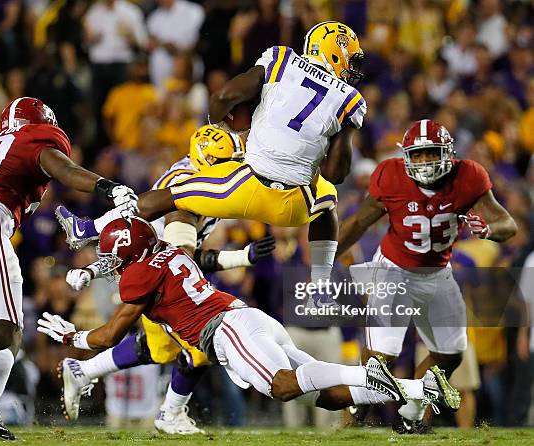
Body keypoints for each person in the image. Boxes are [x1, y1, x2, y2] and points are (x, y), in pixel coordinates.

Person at [38, 217, 461, 423]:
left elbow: (111, 333)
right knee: (328, 397)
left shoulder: (140, 273)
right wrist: (91, 273)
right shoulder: (168, 253)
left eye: (114, 257)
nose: (111, 263)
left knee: (281, 386)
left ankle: (390, 380)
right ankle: (415, 389)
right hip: (246, 318)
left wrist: (71, 333)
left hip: (227, 331)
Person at [59, 20, 367, 292]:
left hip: (245, 186)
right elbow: (336, 174)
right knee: (327, 201)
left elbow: (225, 96)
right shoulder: (350, 99)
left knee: (167, 197)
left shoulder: (282, 60)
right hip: (294, 204)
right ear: (334, 52)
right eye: (351, 58)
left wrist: (217, 123)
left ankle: (90, 228)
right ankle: (321, 281)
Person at [0, 97, 137, 439]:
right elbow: (62, 169)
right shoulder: (36, 138)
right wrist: (106, 186)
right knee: (1, 328)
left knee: (9, 330)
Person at [56, 125, 275, 434]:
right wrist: (240, 258)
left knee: (159, 350)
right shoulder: (188, 195)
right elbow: (183, 257)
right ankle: (170, 414)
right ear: (203, 158)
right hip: (155, 275)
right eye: (223, 162)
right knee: (200, 347)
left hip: (149, 265)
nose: (229, 169)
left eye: (232, 162)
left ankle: (84, 370)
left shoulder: (194, 172)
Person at [337, 119, 517, 433]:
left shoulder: (469, 175)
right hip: (394, 269)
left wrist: (489, 230)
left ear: (447, 152)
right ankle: (352, 415)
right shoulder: (390, 175)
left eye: (431, 153)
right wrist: (325, 259)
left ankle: (410, 411)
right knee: (382, 359)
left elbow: (507, 223)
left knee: (451, 354)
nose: (424, 161)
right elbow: (358, 223)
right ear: (406, 156)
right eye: (417, 155)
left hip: (438, 273)